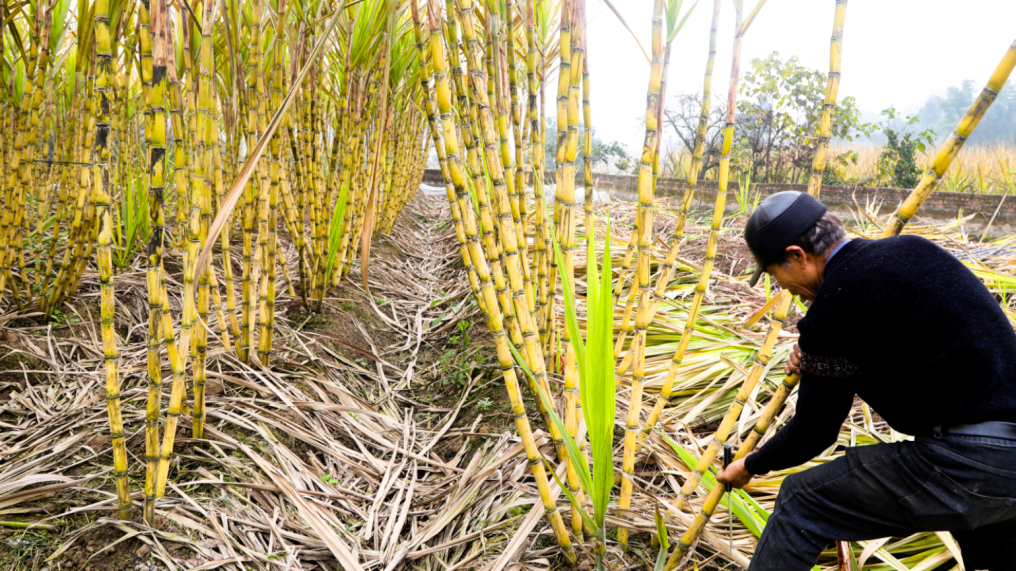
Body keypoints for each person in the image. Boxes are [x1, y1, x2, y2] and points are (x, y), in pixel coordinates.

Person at [715, 191, 1016, 571]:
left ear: (797, 256)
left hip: (966, 461)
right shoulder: (913, 251)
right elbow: (912, 355)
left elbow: (815, 431)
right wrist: (817, 361)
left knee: (801, 502)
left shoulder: (834, 306)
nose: (784, 289)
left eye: (778, 276)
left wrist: (751, 465)